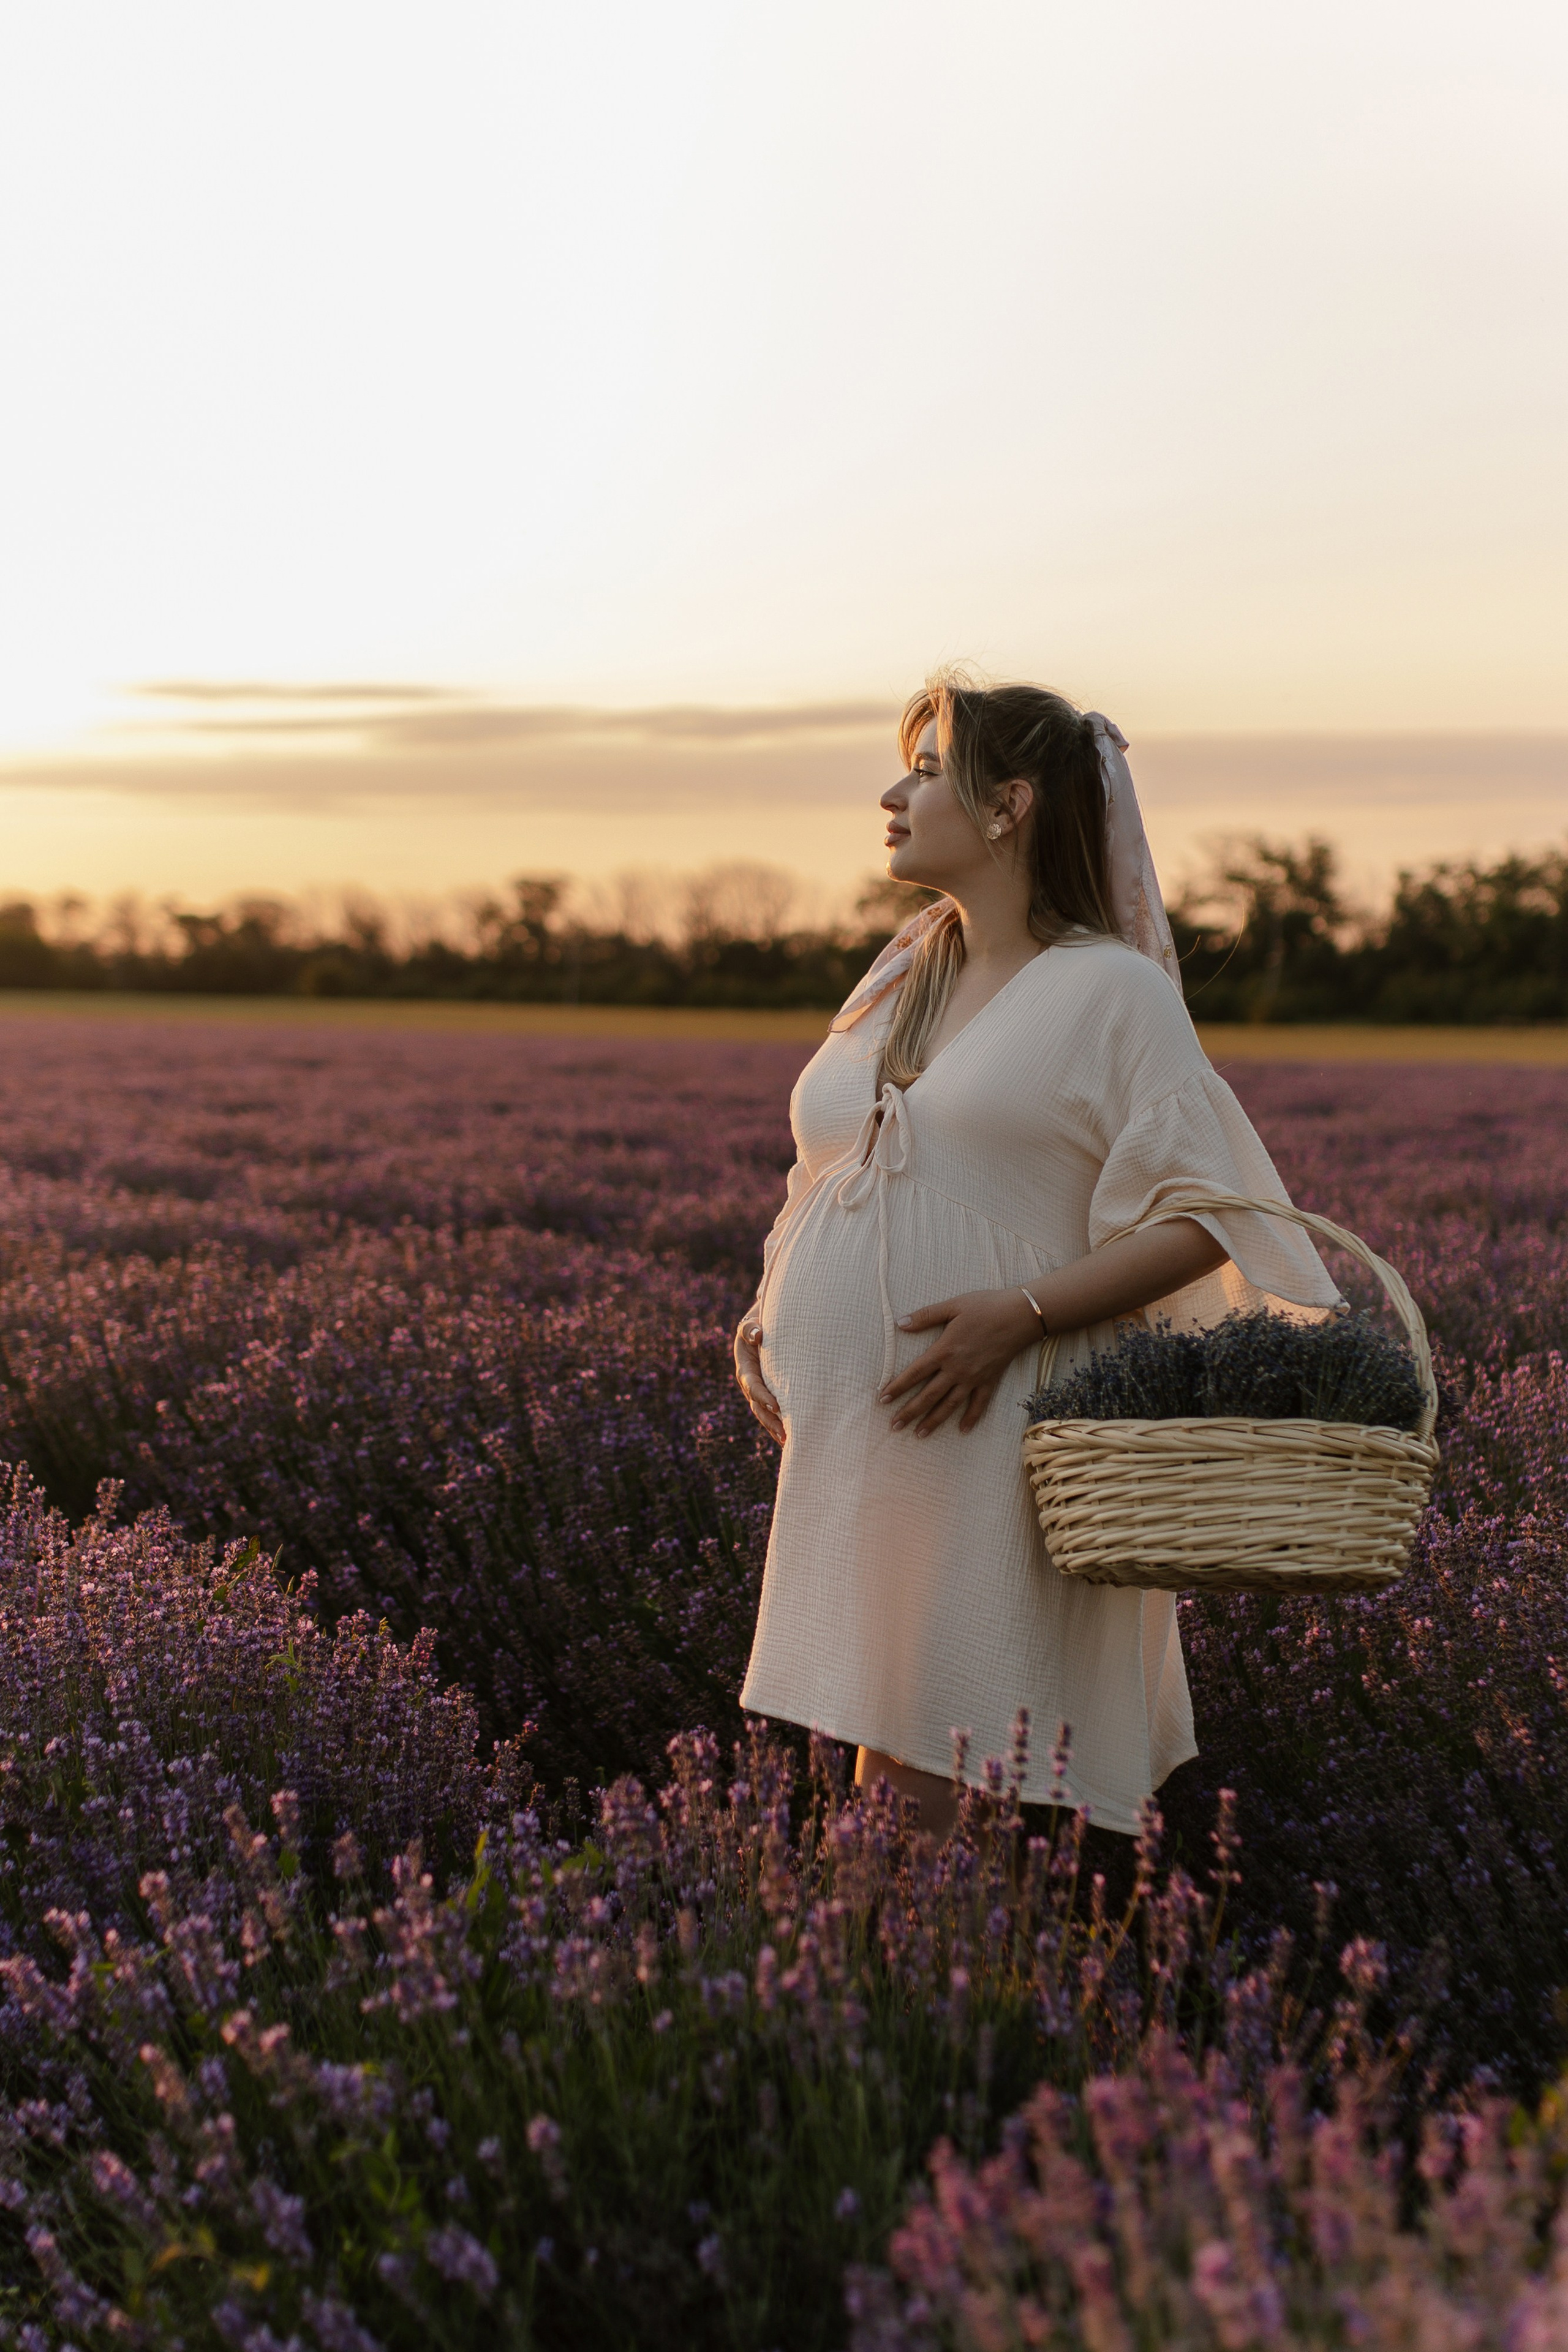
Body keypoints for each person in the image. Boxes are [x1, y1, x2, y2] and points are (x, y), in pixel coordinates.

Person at [732, 673, 1340, 1840]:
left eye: (925, 771)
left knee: (933, 1751)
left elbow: (1213, 1212)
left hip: (993, 1412)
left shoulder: (1108, 990)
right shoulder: (906, 973)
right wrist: (777, 1305)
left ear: (1009, 804)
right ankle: (890, 1999)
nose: (891, 795)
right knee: (880, 1742)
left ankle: (901, 2001)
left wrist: (1023, 1313)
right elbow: (829, 1167)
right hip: (869, 1428)